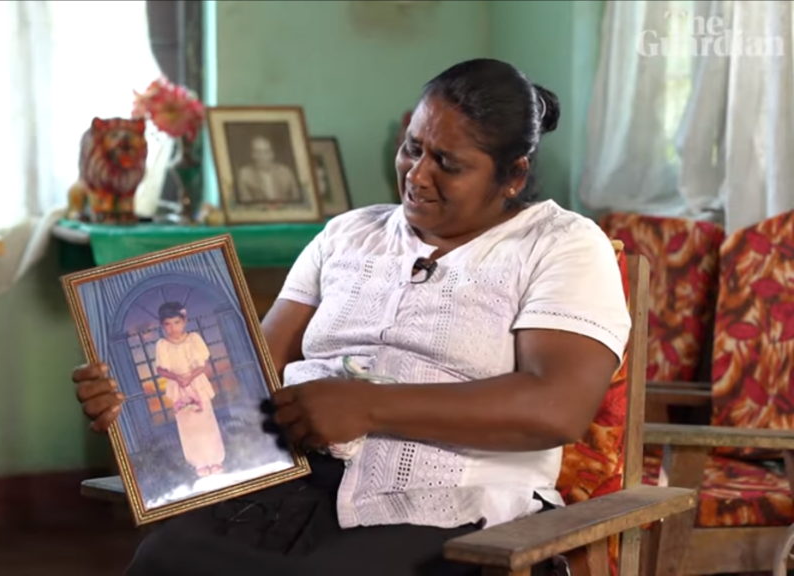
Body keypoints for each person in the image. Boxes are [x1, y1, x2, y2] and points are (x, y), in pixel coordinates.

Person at [72, 58, 631, 576]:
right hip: (295, 486)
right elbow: (250, 375)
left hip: (458, 508)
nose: (417, 174)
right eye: (412, 148)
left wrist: (368, 407)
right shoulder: (348, 234)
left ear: (513, 176)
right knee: (167, 559)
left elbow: (557, 406)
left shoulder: (562, 244)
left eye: (448, 164)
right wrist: (139, 406)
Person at [153, 301, 226, 478]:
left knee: (206, 421)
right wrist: (178, 378)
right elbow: (160, 369)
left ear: (184, 321)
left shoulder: (194, 338)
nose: (173, 328)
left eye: (176, 323)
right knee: (188, 426)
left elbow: (203, 364)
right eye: (168, 324)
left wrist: (190, 377)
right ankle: (199, 463)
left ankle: (215, 460)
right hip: (178, 387)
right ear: (163, 326)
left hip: (197, 383)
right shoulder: (162, 344)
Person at [235, 135, 301, 203]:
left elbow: (296, 199)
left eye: (266, 152)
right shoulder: (244, 174)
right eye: (258, 152)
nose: (262, 156)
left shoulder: (285, 172)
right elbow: (246, 204)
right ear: (252, 155)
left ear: (272, 154)